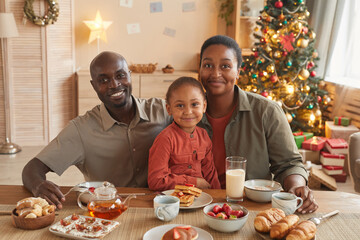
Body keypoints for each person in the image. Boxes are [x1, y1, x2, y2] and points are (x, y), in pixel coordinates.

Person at [22, 51, 172, 209]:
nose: (114, 84)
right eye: (104, 80)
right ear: (94, 86)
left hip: (161, 207)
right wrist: (38, 185)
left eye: (120, 75)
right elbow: (32, 169)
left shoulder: (162, 111)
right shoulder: (81, 129)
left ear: (129, 75)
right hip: (107, 213)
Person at [197, 35, 318, 213]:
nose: (216, 73)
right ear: (199, 69)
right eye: (208, 65)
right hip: (197, 205)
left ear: (238, 71)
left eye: (225, 66)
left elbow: (289, 164)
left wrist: (296, 186)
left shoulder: (266, 111)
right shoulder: (185, 113)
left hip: (251, 209)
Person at [148, 77, 221, 191]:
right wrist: (194, 182)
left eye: (195, 104)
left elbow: (210, 174)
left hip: (202, 199)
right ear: (169, 109)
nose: (188, 112)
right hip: (174, 201)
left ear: (204, 106)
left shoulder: (204, 136)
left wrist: (218, 197)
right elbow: (156, 181)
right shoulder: (165, 139)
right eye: (180, 106)